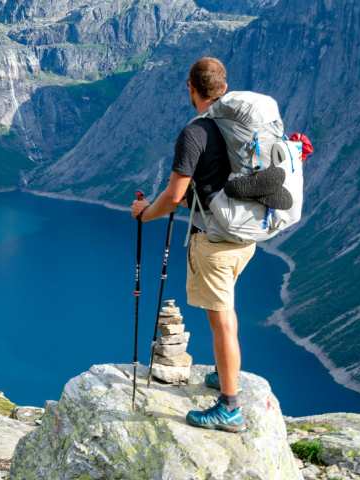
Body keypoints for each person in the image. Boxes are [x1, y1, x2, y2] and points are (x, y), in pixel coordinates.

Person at [131, 57, 255, 433]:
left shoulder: (196, 133)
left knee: (221, 322)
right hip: (245, 236)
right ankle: (224, 374)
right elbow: (214, 185)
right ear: (222, 86)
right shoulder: (239, 124)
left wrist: (144, 214)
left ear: (191, 88)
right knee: (226, 314)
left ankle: (229, 408)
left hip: (215, 242)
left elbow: (174, 195)